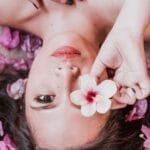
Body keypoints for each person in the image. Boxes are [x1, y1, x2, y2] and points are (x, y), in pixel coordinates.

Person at [0, 0, 149, 149]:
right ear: (112, 94)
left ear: (24, 89)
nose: (66, 73)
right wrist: (131, 24)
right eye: (82, 100)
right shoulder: (136, 20)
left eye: (44, 98)